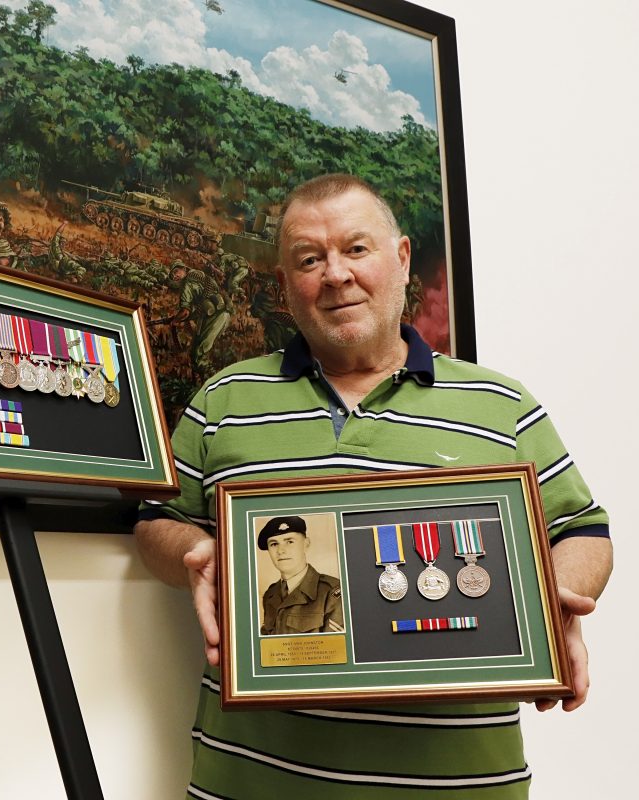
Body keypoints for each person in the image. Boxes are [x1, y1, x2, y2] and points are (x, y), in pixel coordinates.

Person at [134, 174, 613, 798]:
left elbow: (583, 530)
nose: (335, 274)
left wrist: (551, 601)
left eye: (356, 249)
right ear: (285, 286)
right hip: (250, 782)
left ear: (402, 258)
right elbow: (153, 523)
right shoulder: (224, 398)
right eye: (310, 259)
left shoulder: (501, 402)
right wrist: (196, 555)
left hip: (460, 784)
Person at [257, 515, 343, 635]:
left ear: (306, 544)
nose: (281, 551)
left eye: (289, 542)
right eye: (274, 544)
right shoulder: (270, 595)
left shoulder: (332, 592)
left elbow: (336, 648)